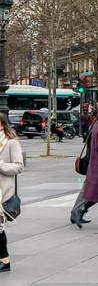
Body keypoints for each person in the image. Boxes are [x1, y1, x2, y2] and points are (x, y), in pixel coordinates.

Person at [0, 112, 23, 272]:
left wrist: (0, 164)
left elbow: (18, 166)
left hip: (2, 192)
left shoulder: (11, 143)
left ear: (1, 124)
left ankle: (4, 259)